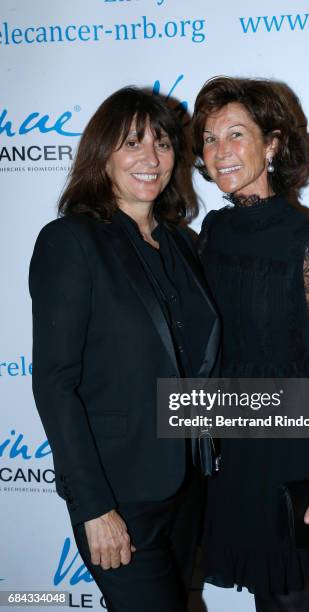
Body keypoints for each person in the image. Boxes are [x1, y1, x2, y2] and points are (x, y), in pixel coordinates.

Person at [29, 86, 220, 612]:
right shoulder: (70, 241)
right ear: (103, 154)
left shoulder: (182, 243)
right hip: (119, 496)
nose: (150, 158)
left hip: (187, 486)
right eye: (132, 143)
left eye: (161, 143)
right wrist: (94, 507)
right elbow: (54, 383)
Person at [192, 77, 309, 611]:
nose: (220, 152)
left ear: (271, 144)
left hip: (295, 454)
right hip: (235, 451)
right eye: (208, 138)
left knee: (295, 600)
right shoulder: (213, 232)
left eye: (236, 134)